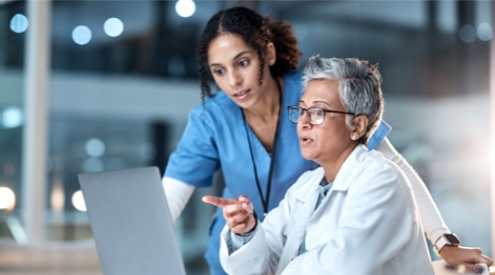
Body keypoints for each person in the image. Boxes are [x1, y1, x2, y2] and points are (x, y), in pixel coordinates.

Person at [162, 6, 493, 274]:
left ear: (269, 54)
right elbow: (166, 204)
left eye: (243, 63)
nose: (233, 81)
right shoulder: (300, 181)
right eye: (219, 71)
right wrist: (245, 230)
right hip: (259, 249)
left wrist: (442, 239)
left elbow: (397, 170)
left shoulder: (318, 96)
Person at [204, 56, 434, 274]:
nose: (303, 122)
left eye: (318, 112)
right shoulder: (307, 186)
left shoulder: (381, 180)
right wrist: (246, 233)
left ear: (357, 126)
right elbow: (258, 264)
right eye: (302, 110)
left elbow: (343, 266)